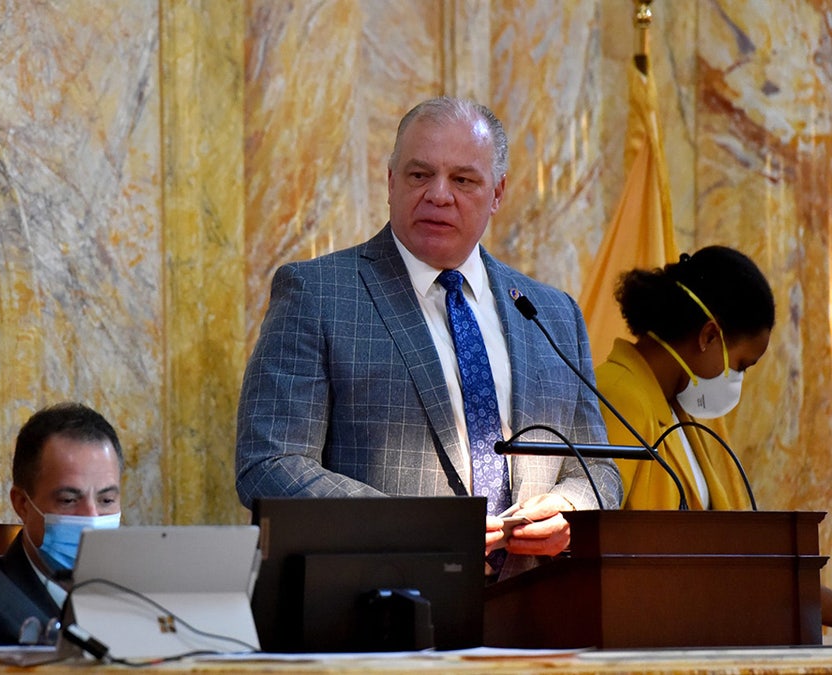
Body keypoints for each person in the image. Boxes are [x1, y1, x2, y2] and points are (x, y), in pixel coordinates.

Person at [235, 96, 621, 578]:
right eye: (420, 175)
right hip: (380, 613)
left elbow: (598, 470)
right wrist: (415, 529)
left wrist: (568, 507)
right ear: (390, 181)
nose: (439, 195)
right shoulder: (318, 294)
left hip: (533, 613)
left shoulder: (553, 313)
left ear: (497, 192)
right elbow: (269, 464)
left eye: (463, 179)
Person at [594, 246, 773, 510]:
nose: (738, 380)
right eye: (742, 366)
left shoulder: (675, 408)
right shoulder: (617, 396)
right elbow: (598, 532)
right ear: (709, 336)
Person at [0, 402, 123, 644]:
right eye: (68, 500)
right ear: (22, 504)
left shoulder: (142, 594)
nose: (92, 518)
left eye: (106, 500)